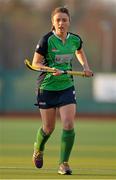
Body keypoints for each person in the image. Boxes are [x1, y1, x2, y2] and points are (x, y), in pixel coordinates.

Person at [32, 7, 93, 175]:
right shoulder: (46, 40)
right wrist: (50, 69)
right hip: (47, 87)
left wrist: (85, 67)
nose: (61, 23)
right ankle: (38, 148)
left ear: (69, 22)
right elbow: (35, 63)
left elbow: (79, 51)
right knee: (48, 128)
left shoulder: (75, 40)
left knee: (68, 123)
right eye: (58, 20)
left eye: (64, 20)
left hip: (66, 86)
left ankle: (63, 164)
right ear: (53, 22)